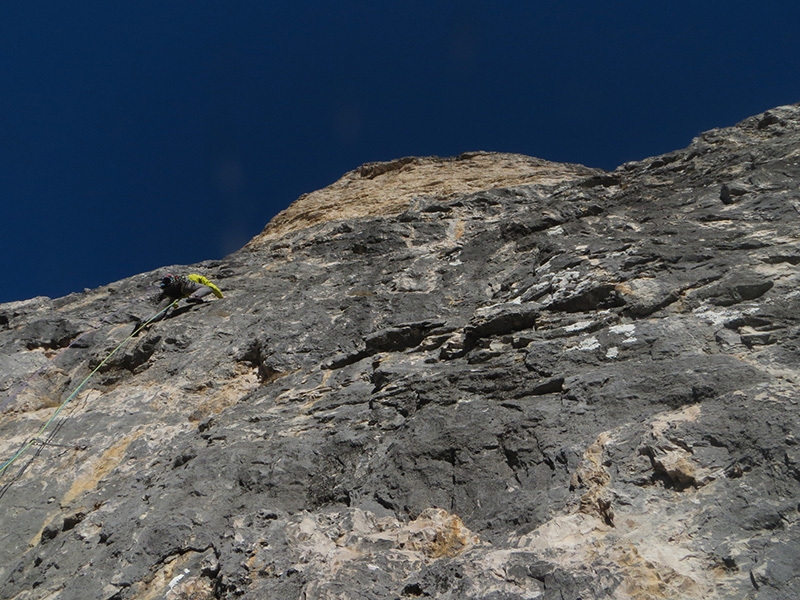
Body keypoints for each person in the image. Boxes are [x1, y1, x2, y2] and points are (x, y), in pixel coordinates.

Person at [133, 273, 224, 333]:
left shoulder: (170, 284)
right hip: (182, 286)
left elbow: (175, 302)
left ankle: (142, 321)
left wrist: (175, 306)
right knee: (207, 288)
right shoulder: (193, 277)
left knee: (159, 314)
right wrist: (221, 298)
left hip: (169, 293)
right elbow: (211, 286)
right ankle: (194, 296)